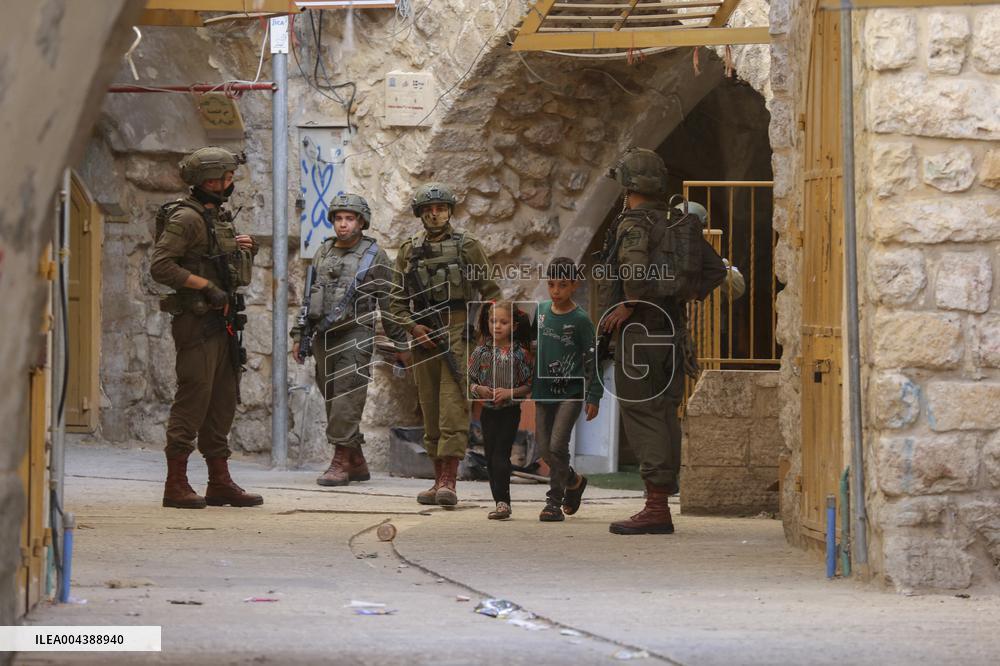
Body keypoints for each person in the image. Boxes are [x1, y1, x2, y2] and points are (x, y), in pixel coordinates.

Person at [599, 148, 726, 535]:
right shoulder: (678, 221)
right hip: (675, 332)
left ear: (628, 186)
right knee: (666, 411)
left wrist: (629, 305)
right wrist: (678, 296)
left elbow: (634, 278)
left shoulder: (633, 223)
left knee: (643, 412)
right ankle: (662, 497)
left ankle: (656, 507)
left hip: (640, 334)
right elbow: (716, 270)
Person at [150, 146, 263, 509]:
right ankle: (176, 483)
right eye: (224, 177)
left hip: (223, 323)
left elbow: (219, 262)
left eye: (231, 177)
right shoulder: (187, 218)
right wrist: (204, 286)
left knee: (222, 402)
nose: (229, 183)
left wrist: (244, 249)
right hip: (197, 323)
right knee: (193, 399)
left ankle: (219, 480)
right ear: (206, 180)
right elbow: (162, 266)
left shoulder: (215, 216)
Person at [390, 183, 501, 506]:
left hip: (456, 332)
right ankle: (437, 476)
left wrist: (486, 334)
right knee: (430, 407)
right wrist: (413, 328)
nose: (434, 214)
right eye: (428, 209)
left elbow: (491, 293)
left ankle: (450, 481)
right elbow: (396, 301)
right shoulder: (408, 250)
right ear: (420, 214)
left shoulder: (468, 246)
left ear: (450, 211)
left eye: (440, 208)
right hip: (424, 336)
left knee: (453, 407)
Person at [291, 193, 407, 486]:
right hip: (322, 336)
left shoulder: (375, 256)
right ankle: (356, 461)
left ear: (362, 222)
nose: (343, 225)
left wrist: (400, 343)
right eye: (339, 218)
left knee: (346, 398)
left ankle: (340, 462)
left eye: (350, 218)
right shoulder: (323, 251)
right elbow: (308, 297)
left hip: (356, 334)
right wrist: (299, 334)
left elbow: (389, 303)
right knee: (333, 399)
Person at [531, 257, 602, 523]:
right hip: (542, 391)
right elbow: (529, 348)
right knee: (544, 449)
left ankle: (553, 501)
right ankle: (574, 481)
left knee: (558, 444)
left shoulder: (581, 320)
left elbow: (592, 358)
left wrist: (594, 395)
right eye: (551, 285)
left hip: (570, 393)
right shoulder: (540, 312)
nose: (556, 291)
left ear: (574, 285)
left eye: (562, 285)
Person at [468, 301, 533, 520]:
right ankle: (498, 501)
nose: (497, 326)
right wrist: (480, 389)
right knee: (489, 457)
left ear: (513, 326)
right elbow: (470, 381)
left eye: (503, 322)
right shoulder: (480, 352)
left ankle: (504, 504)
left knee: (500, 455)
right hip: (487, 411)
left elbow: (528, 385)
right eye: (493, 321)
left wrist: (510, 392)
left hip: (510, 411)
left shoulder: (520, 354)